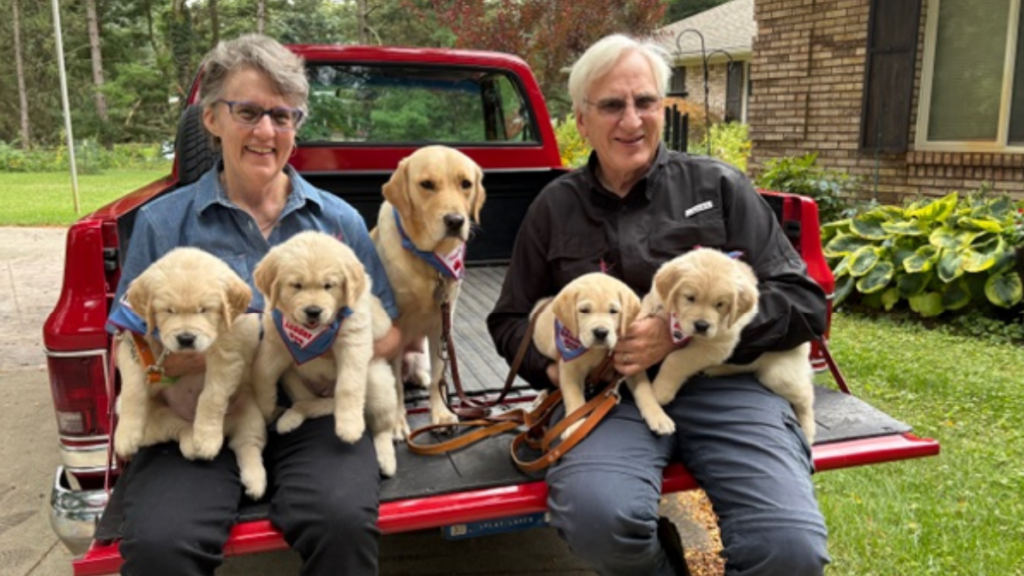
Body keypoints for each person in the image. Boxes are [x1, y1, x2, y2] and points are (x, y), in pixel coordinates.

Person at [487, 33, 830, 576]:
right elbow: (509, 320)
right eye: (612, 105)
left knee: (788, 549)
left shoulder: (717, 184)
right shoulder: (554, 207)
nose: (632, 120)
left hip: (727, 386)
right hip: (612, 400)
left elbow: (805, 303)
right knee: (599, 523)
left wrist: (684, 334)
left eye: (645, 102)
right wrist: (557, 367)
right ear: (581, 120)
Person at [107, 34, 401, 576]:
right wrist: (187, 365)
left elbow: (387, 332)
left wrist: (330, 363)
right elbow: (127, 338)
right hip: (197, 410)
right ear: (211, 120)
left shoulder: (339, 222)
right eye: (248, 112)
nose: (267, 131)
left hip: (307, 409)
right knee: (159, 547)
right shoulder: (163, 224)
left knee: (340, 521)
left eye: (284, 116)